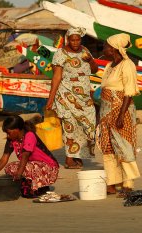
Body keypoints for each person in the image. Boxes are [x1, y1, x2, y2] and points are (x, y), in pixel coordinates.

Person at [45, 27, 98, 169]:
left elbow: (94, 70)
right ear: (68, 39)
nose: (75, 42)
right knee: (70, 126)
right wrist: (50, 100)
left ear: (81, 39)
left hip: (84, 96)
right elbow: (56, 77)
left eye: (78, 39)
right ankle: (69, 160)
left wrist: (91, 60)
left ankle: (78, 154)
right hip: (66, 93)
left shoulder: (85, 50)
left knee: (89, 124)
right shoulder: (60, 54)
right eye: (72, 40)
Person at [97, 33, 141, 197]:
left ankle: (128, 184)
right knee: (108, 147)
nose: (103, 49)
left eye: (105, 46)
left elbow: (129, 93)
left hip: (121, 110)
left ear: (114, 49)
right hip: (105, 112)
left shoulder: (127, 65)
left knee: (124, 146)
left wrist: (121, 115)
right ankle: (112, 182)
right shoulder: (110, 66)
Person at [0, 116, 59, 197]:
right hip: (33, 166)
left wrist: (19, 174)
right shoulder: (12, 140)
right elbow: (5, 157)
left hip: (49, 168)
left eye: (9, 132)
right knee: (10, 167)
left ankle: (40, 187)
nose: (7, 136)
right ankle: (31, 185)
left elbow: (25, 156)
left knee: (25, 168)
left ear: (17, 130)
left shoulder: (29, 135)